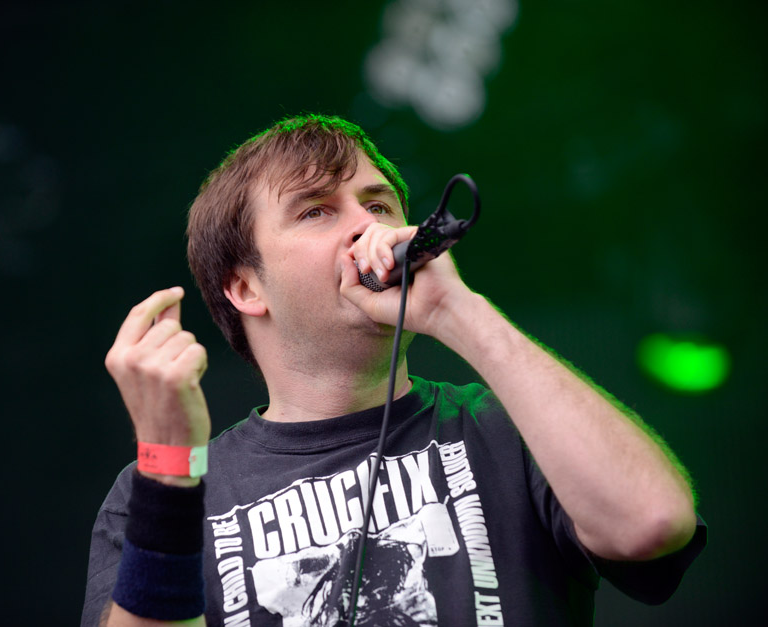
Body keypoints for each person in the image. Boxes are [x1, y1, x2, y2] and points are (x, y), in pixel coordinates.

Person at [81, 114, 706, 626]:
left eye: (379, 204)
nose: (366, 226)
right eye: (316, 211)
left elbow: (652, 524)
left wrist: (457, 311)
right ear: (246, 288)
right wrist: (167, 467)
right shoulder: (164, 494)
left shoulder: (507, 430)